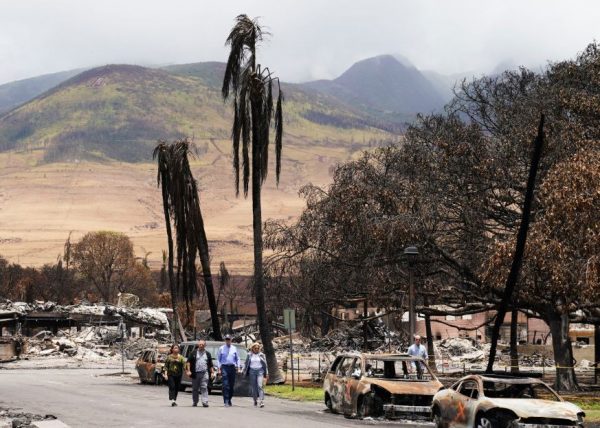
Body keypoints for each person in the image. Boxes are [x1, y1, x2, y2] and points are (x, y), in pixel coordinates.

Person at [185, 340, 214, 408]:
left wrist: (212, 372)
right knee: (195, 388)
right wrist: (188, 371)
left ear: (205, 345)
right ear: (198, 345)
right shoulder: (193, 352)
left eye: (202, 345)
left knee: (204, 387)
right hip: (195, 373)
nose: (201, 346)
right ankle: (195, 401)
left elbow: (210, 364)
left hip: (204, 373)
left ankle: (205, 402)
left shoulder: (208, 354)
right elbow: (188, 362)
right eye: (200, 344)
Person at [216, 334, 242, 407]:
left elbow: (238, 358)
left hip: (232, 367)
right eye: (226, 339)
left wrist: (239, 368)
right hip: (224, 367)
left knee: (231, 385)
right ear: (225, 340)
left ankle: (229, 399)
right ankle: (226, 401)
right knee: (225, 385)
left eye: (229, 339)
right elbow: (218, 359)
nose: (228, 341)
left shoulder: (234, 348)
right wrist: (218, 369)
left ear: (231, 340)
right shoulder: (221, 348)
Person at [243, 343, 268, 407]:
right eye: (255, 348)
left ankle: (261, 401)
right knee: (254, 387)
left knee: (260, 386)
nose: (256, 349)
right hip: (252, 371)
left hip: (260, 371)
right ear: (252, 349)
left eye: (258, 348)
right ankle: (255, 400)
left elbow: (265, 365)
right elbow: (246, 364)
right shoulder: (249, 355)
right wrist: (243, 370)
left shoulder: (262, 355)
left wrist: (266, 373)